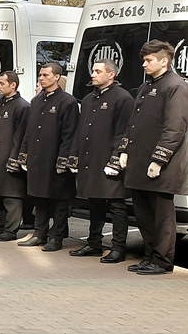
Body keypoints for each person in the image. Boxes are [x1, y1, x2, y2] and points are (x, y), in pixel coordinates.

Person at [113, 40, 188, 274]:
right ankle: (149, 256)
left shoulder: (175, 86)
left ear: (164, 61)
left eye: (148, 60)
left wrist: (159, 159)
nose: (144, 64)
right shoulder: (147, 87)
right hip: (139, 160)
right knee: (144, 215)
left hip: (160, 165)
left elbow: (175, 127)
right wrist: (123, 150)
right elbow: (133, 124)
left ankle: (162, 261)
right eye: (143, 60)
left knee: (161, 216)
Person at [67, 59, 133, 263]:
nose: (93, 74)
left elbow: (125, 131)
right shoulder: (88, 99)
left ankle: (118, 248)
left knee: (116, 205)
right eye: (93, 71)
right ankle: (94, 243)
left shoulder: (123, 98)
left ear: (111, 75)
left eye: (98, 71)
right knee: (94, 203)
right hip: (91, 159)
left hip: (109, 160)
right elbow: (81, 130)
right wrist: (75, 156)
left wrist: (116, 158)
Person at [18, 63, 78, 252]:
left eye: (45, 75)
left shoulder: (67, 102)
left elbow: (70, 134)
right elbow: (29, 131)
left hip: (56, 159)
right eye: (40, 75)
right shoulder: (36, 101)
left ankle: (56, 237)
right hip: (37, 158)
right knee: (39, 198)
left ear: (57, 77)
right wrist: (24, 153)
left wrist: (64, 159)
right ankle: (39, 233)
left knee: (59, 201)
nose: (41, 78)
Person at [0, 71, 29, 241]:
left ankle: (11, 230)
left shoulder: (22, 106)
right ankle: (0, 226)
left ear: (13, 85)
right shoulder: (1, 102)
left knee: (11, 196)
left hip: (10, 156)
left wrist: (15, 158)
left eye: (2, 83)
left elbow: (21, 135)